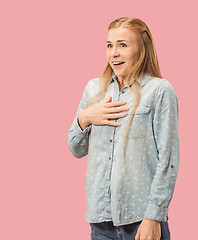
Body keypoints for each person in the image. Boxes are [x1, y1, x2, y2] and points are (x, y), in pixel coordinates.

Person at [68, 17, 180, 240]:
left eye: (123, 45)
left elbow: (168, 160)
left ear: (141, 49)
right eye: (109, 45)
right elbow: (76, 149)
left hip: (141, 221)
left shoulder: (158, 91)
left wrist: (153, 217)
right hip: (100, 222)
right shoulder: (94, 89)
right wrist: (84, 117)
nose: (114, 53)